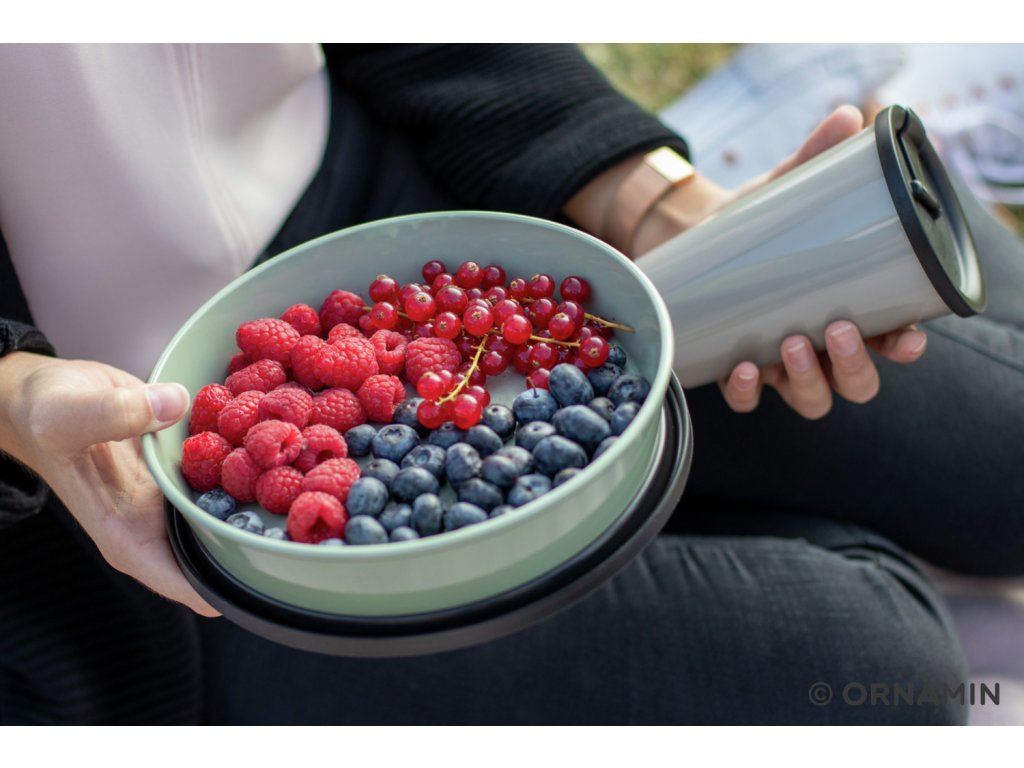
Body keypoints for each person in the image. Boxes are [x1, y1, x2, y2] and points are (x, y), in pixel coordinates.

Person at [0, 44, 1019, 725]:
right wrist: (12, 398)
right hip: (132, 505)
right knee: (889, 671)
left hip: (404, 271)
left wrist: (649, 198)